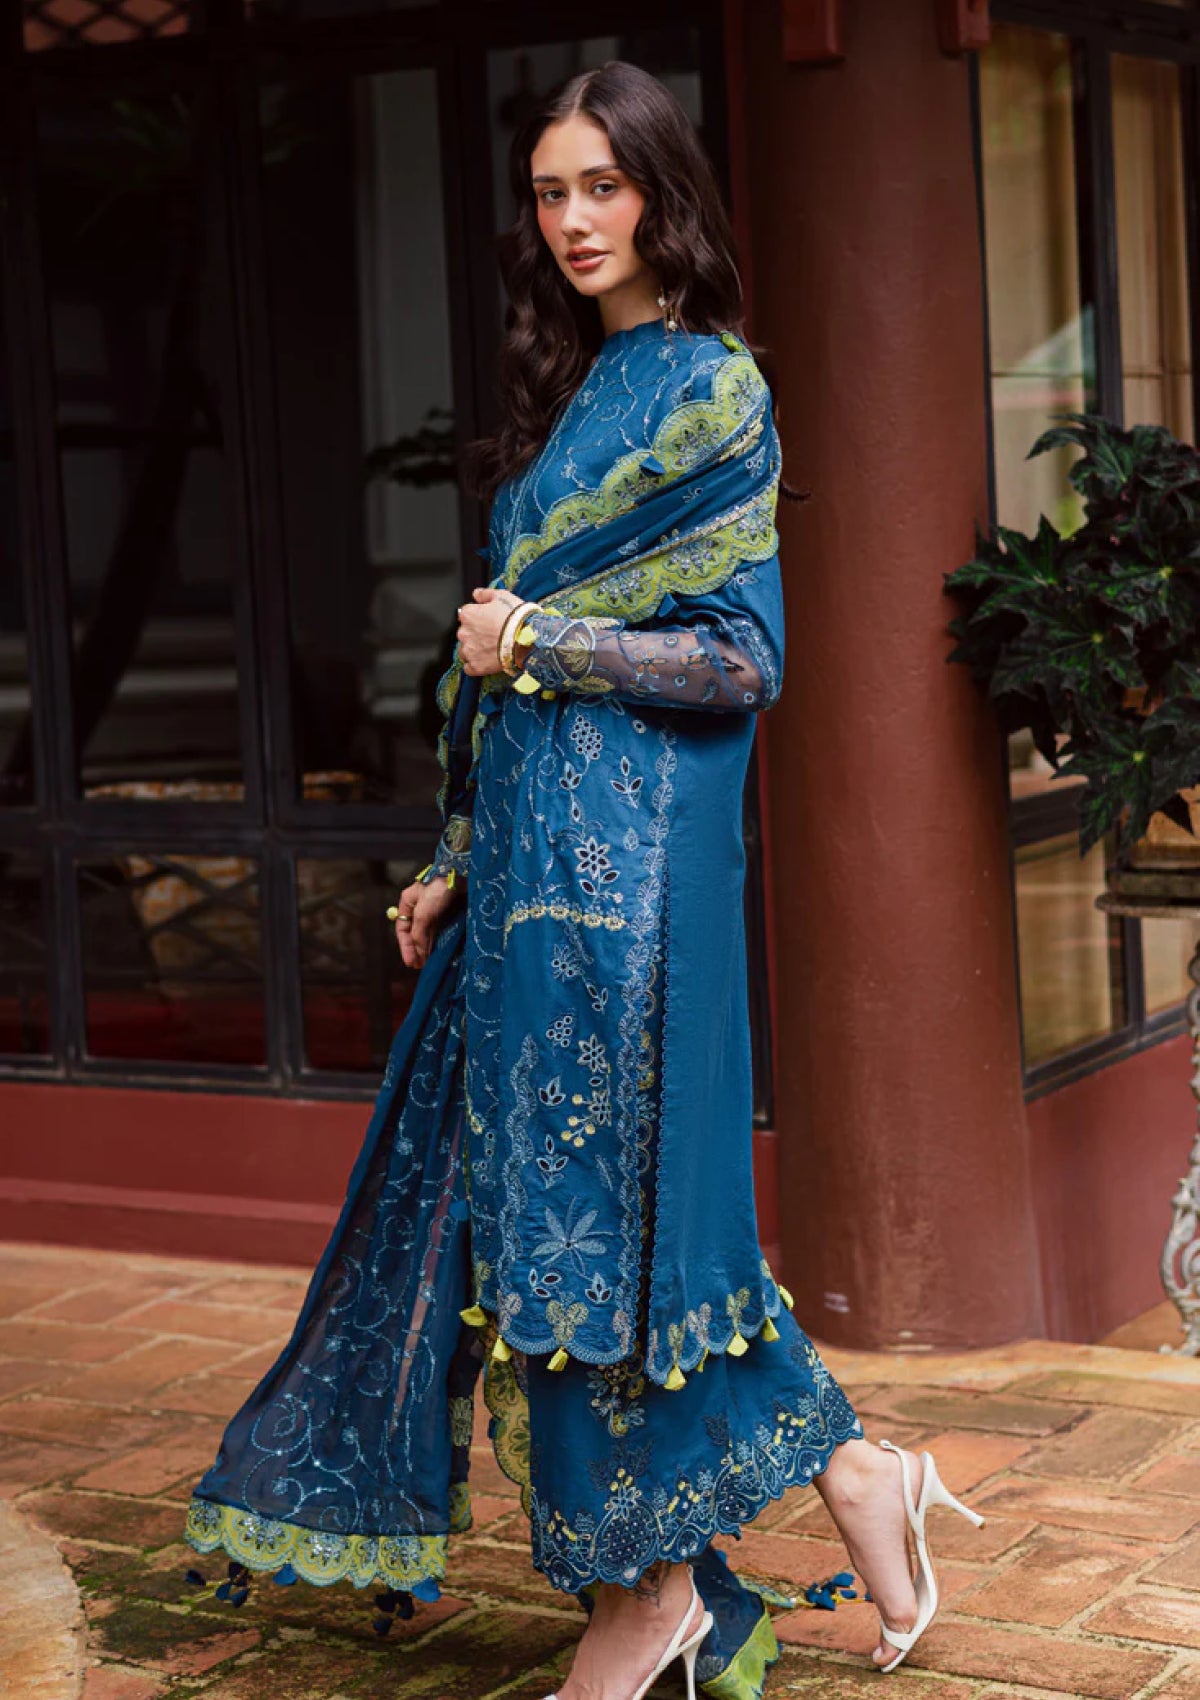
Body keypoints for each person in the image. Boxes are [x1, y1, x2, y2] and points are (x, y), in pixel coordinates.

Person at [184, 59, 982, 1700]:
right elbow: (506, 677)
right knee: (565, 1229)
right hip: (536, 871)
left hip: (639, 890)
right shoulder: (581, 390)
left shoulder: (712, 390)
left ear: (661, 191)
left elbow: (742, 661)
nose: (571, 219)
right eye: (549, 192)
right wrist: (457, 857)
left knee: (607, 1240)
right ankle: (849, 1483)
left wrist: (541, 638)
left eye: (600, 186)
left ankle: (648, 1599)